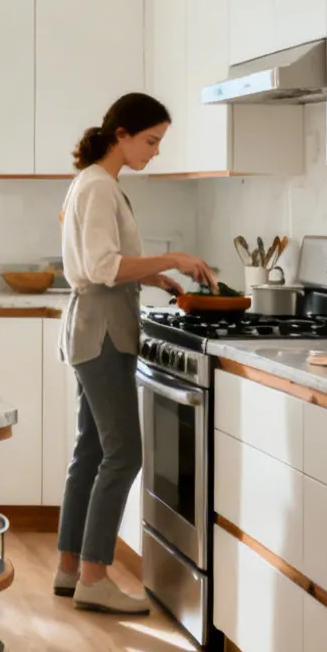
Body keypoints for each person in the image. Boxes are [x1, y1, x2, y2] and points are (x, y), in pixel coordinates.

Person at [53, 92, 216, 614]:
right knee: (123, 454)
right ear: (120, 134)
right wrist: (173, 257)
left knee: (92, 451)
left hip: (94, 328)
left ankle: (68, 568)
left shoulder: (97, 184)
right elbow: (103, 266)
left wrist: (157, 273)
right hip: (102, 331)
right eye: (151, 140)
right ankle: (96, 578)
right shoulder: (100, 187)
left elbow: (108, 260)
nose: (156, 151)